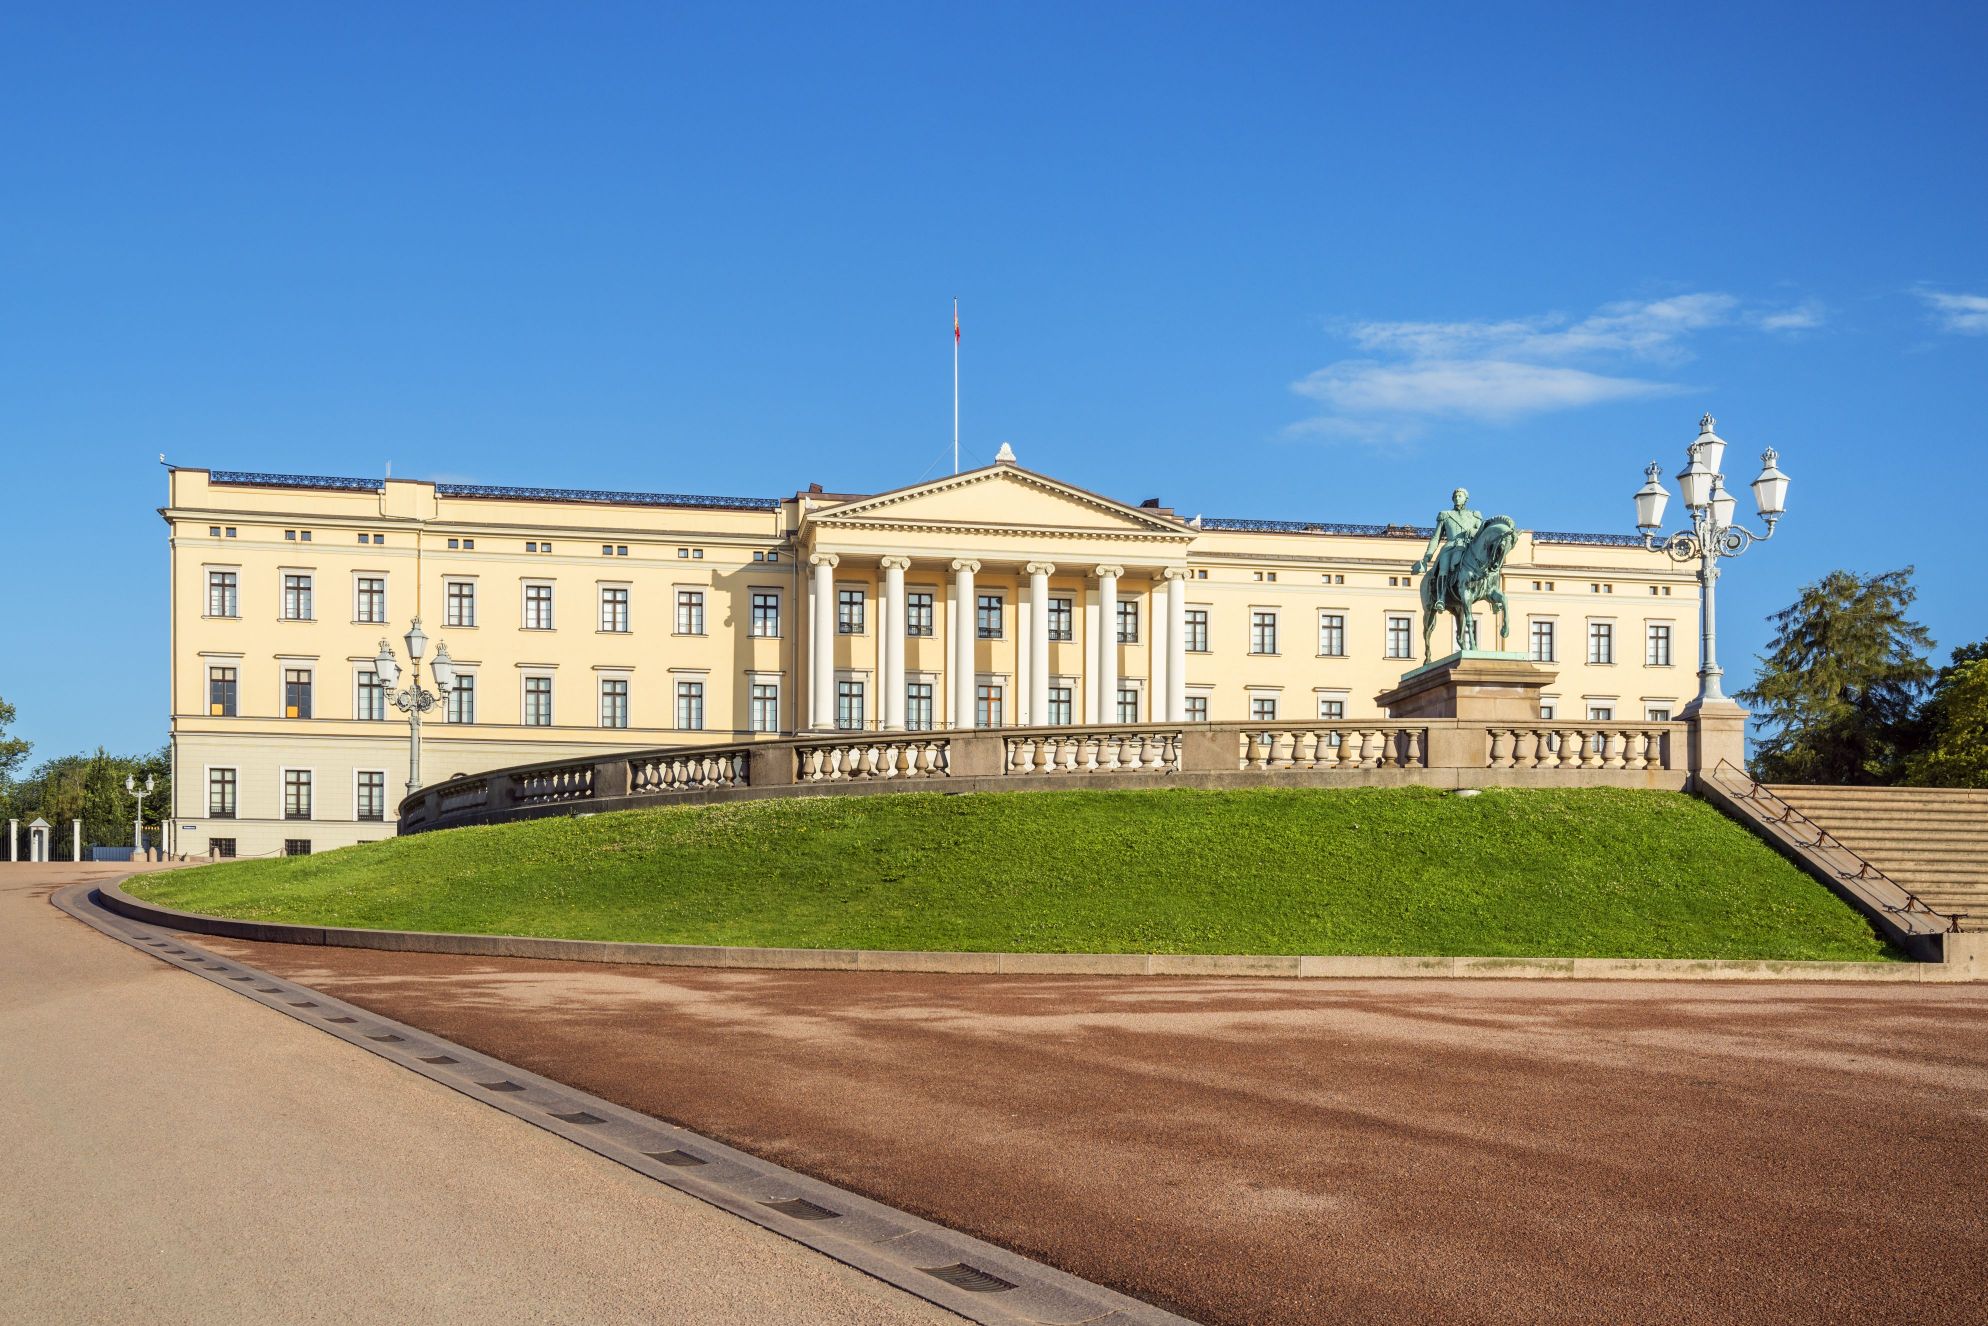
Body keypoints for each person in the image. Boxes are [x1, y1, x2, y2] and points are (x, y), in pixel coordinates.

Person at [1411, 487, 1484, 609]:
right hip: (1450, 547)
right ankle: (1440, 598)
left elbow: (1481, 534)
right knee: (1443, 568)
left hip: (1468, 548)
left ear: (1466, 499)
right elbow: (1436, 538)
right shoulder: (1446, 515)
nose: (1457, 498)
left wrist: (1473, 531)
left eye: (1460, 496)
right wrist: (1427, 557)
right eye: (1455, 496)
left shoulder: (1474, 515)